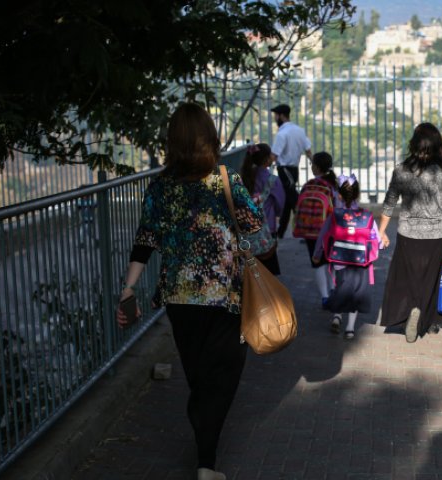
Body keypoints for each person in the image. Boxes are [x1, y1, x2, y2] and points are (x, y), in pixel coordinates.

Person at [115, 103, 263, 480]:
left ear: (173, 142)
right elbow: (256, 231)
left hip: (179, 299)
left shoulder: (161, 187)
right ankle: (205, 464)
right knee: (223, 376)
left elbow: (145, 241)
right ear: (210, 138)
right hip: (226, 297)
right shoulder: (226, 181)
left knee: (198, 376)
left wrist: (128, 287)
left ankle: (204, 449)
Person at [378, 123, 442, 343]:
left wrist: (381, 231)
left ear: (414, 144)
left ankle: (412, 311)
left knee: (408, 278)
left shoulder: (401, 169)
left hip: (408, 234)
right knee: (432, 279)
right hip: (438, 235)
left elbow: (390, 202)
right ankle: (430, 320)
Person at [312, 173, 381, 339]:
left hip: (339, 258)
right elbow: (376, 238)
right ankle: (350, 328)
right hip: (360, 261)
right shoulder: (366, 215)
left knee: (339, 286)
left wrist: (317, 254)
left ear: (339, 195)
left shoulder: (335, 215)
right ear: (358, 194)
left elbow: (323, 236)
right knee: (355, 292)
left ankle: (337, 316)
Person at [295, 152, 337, 307]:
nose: (311, 167)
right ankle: (334, 289)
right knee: (332, 261)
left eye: (312, 164)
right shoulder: (334, 185)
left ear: (317, 168)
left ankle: (325, 297)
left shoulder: (308, 185)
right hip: (331, 230)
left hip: (311, 232)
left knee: (318, 263)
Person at [240, 142, 285, 275]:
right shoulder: (272, 180)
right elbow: (279, 206)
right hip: (266, 231)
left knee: (250, 273)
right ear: (267, 159)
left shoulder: (243, 177)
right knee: (268, 273)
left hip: (246, 230)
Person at [270, 103, 312, 238]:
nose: (275, 118)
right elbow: (308, 150)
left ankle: (307, 228)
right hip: (294, 170)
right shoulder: (299, 130)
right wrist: (315, 163)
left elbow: (274, 155)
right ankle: (281, 231)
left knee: (294, 200)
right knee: (288, 200)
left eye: (276, 116)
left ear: (281, 116)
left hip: (284, 170)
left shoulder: (282, 133)